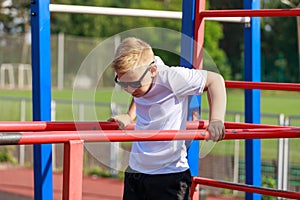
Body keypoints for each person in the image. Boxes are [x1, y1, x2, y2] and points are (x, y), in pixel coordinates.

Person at [110, 37, 226, 200]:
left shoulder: (172, 77)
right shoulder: (141, 77)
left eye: (135, 84)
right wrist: (129, 115)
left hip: (170, 173)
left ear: (152, 71)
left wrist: (216, 120)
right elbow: (142, 94)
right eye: (123, 84)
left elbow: (215, 81)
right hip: (136, 171)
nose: (129, 90)